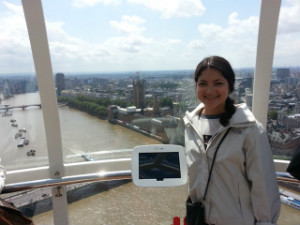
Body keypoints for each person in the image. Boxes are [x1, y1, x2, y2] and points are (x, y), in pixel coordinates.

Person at [183, 56, 281, 225]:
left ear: (230, 86)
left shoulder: (249, 129)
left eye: (218, 83)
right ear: (196, 86)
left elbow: (264, 187)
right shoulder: (191, 125)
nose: (210, 90)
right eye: (203, 83)